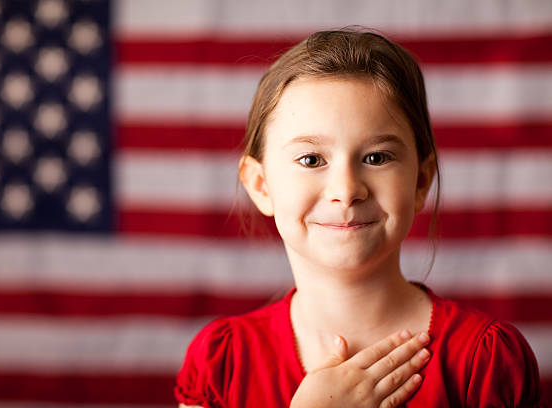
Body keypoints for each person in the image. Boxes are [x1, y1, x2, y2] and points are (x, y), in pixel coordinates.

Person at [174, 28, 543, 407]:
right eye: (312, 160)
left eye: (377, 157)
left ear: (420, 181)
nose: (347, 189)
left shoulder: (485, 359)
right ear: (261, 185)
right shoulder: (221, 363)